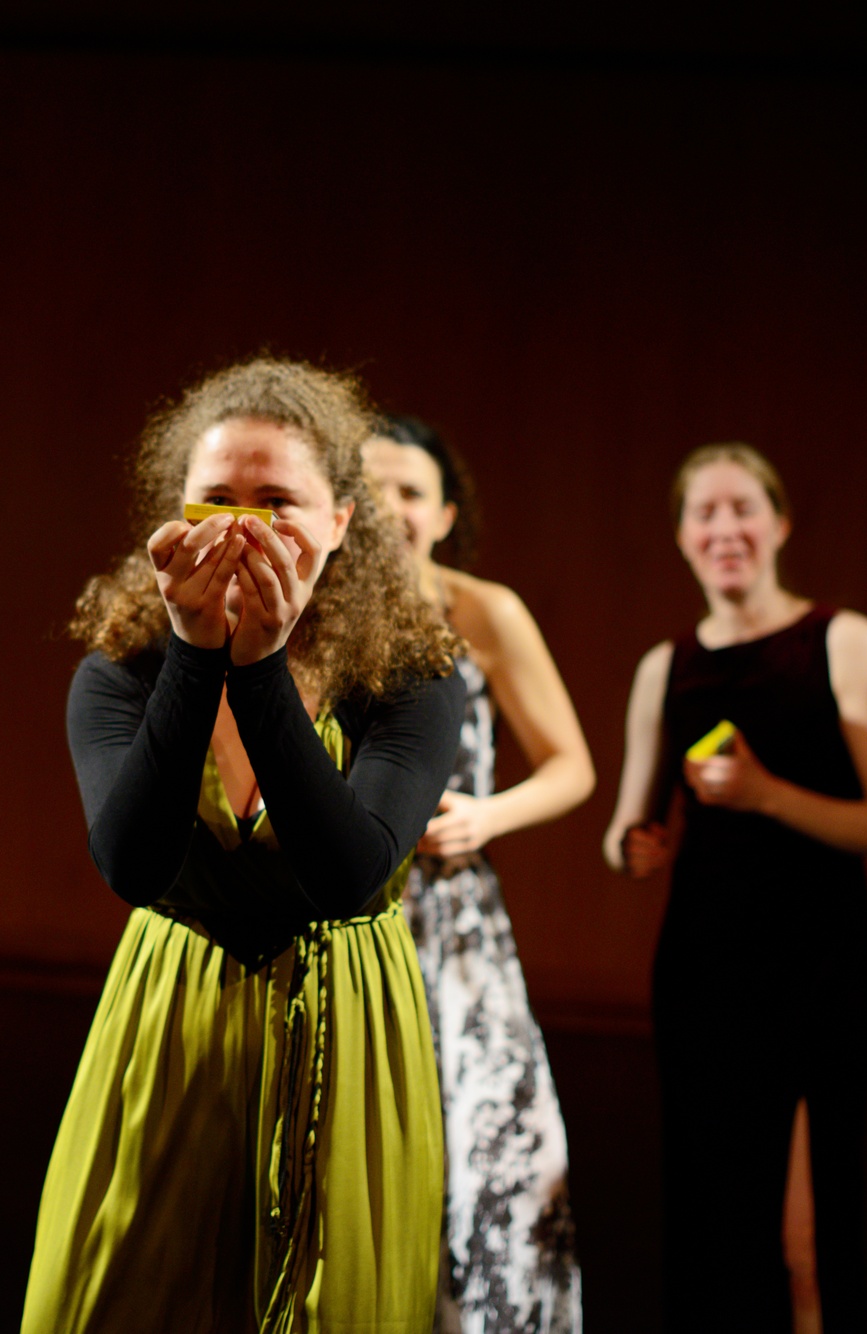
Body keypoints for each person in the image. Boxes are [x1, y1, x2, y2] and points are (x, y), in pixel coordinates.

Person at [24, 358, 465, 1334]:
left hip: (344, 1012)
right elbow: (131, 865)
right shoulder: (125, 667)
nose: (241, 529)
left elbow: (347, 873)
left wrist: (260, 669)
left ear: (340, 522)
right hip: (170, 1011)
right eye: (216, 500)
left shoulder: (413, 674)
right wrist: (197, 654)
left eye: (277, 503)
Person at [602, 442, 867, 1334]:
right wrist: (634, 847)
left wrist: (765, 795)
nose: (724, 528)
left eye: (742, 507)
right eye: (703, 513)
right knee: (710, 1223)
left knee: (804, 1236)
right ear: (681, 537)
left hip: (814, 964)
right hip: (702, 967)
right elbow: (625, 827)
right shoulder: (666, 666)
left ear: (779, 523)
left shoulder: (841, 640)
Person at [363, 415, 592, 1333]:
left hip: (452, 918)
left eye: (411, 492)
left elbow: (572, 766)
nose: (390, 508)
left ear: (446, 513)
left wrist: (484, 817)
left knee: (486, 1155)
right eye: (369, 488)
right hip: (345, 910)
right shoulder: (319, 608)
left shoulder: (483, 611)